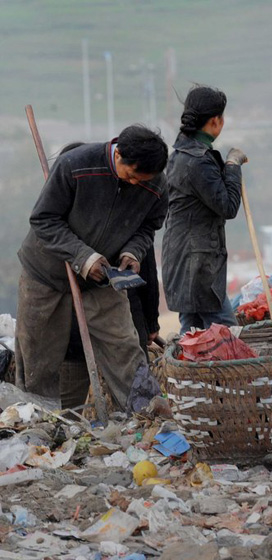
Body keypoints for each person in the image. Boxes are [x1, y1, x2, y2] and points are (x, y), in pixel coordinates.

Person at [15, 125, 169, 411]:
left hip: (103, 277)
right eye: (132, 175)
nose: (136, 183)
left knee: (124, 345)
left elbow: (149, 226)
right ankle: (40, 424)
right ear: (118, 154)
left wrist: (132, 252)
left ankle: (148, 414)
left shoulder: (157, 185)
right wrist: (84, 257)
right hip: (46, 274)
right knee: (38, 357)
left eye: (143, 179)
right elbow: (44, 219)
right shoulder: (75, 166)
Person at [54, 142, 163, 407]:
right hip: (75, 329)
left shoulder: (119, 214)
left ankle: (140, 422)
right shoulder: (59, 226)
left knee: (129, 388)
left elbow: (145, 271)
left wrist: (150, 323)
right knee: (72, 400)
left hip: (123, 318)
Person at [162, 85, 248, 334]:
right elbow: (228, 206)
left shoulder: (178, 155)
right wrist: (232, 166)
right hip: (198, 264)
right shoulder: (199, 161)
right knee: (225, 333)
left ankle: (190, 374)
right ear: (215, 121)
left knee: (192, 331)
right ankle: (227, 374)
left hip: (181, 256)